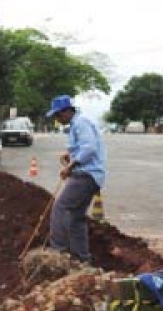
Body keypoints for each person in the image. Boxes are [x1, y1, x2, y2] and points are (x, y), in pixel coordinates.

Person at [45, 95, 106, 263]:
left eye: (57, 115)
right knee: (77, 217)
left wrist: (70, 166)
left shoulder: (81, 123)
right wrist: (70, 155)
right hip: (92, 175)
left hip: (86, 175)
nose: (57, 119)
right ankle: (82, 259)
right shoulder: (76, 124)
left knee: (60, 207)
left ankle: (57, 253)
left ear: (66, 111)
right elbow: (83, 147)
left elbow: (89, 148)